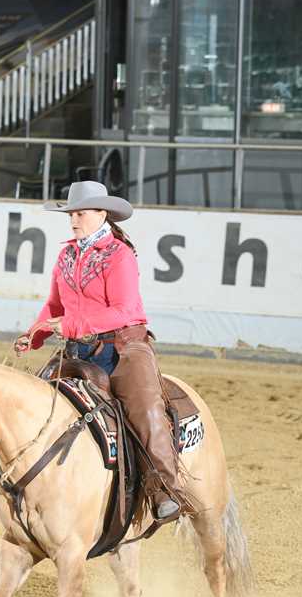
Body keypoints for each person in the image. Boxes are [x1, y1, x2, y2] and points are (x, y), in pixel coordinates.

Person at [14, 180, 186, 522]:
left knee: (144, 408)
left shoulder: (120, 255)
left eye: (80, 213)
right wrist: (34, 335)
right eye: (71, 214)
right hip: (79, 351)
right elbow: (54, 305)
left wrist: (72, 325)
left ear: (102, 214)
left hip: (123, 347)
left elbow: (124, 311)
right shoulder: (67, 255)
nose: (73, 220)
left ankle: (164, 489)